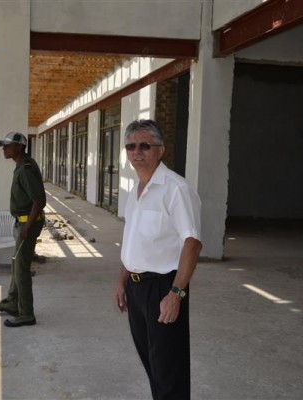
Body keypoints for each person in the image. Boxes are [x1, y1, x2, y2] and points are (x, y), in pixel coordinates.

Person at [115, 119, 202, 399]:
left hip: (164, 287)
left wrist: (176, 294)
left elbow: (192, 243)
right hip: (136, 288)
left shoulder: (175, 188)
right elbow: (133, 240)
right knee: (152, 363)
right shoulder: (135, 191)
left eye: (145, 145)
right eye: (131, 146)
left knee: (169, 368)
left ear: (160, 150)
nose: (136, 152)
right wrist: (122, 281)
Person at [0, 131, 46, 328]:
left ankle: (26, 314)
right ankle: (13, 303)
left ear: (20, 147)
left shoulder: (26, 168)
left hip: (26, 224)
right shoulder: (22, 165)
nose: (4, 149)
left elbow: (39, 200)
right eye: (3, 146)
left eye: (8, 145)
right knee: (16, 264)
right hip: (22, 223)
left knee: (21, 270)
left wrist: (27, 227)